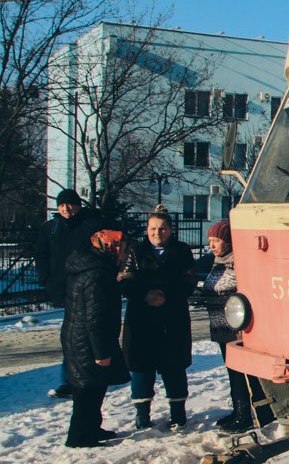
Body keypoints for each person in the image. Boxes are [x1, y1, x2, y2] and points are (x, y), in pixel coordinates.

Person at [120, 206, 195, 430]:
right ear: (147, 229)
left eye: (162, 229)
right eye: (153, 228)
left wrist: (165, 296)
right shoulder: (136, 250)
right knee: (141, 367)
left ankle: (178, 414)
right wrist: (146, 295)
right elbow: (125, 280)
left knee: (174, 366)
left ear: (170, 230)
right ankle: (142, 414)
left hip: (173, 317)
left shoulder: (182, 251)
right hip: (142, 318)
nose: (157, 233)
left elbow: (189, 281)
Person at [33, 188, 106, 398]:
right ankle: (71, 379)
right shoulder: (51, 228)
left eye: (70, 204)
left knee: (88, 333)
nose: (66, 209)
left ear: (78, 204)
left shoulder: (91, 224)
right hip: (63, 286)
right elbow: (41, 253)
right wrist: (46, 278)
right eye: (62, 205)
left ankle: (86, 376)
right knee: (72, 336)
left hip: (88, 286)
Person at [61, 229, 131, 448]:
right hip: (88, 342)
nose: (124, 253)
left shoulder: (90, 264)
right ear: (110, 247)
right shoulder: (97, 273)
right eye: (122, 248)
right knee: (87, 390)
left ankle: (91, 428)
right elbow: (96, 318)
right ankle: (80, 437)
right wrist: (101, 352)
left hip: (79, 337)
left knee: (93, 386)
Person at [195, 220, 257, 432]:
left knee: (240, 373)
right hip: (220, 327)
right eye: (210, 240)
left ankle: (244, 415)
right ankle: (237, 411)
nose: (212, 245)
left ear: (229, 241)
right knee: (231, 371)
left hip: (235, 329)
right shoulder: (217, 261)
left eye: (217, 240)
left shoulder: (237, 261)